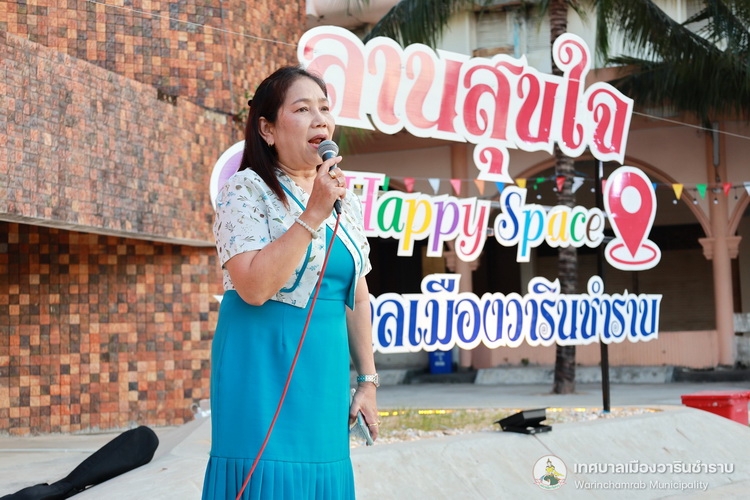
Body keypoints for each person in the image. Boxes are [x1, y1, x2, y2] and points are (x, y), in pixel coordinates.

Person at [202, 66, 379, 499]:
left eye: (324, 108)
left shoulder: (343, 197)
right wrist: (313, 213)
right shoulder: (244, 190)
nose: (320, 119)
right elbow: (253, 287)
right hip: (260, 368)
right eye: (302, 109)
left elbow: (356, 294)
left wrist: (367, 381)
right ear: (267, 129)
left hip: (324, 372)